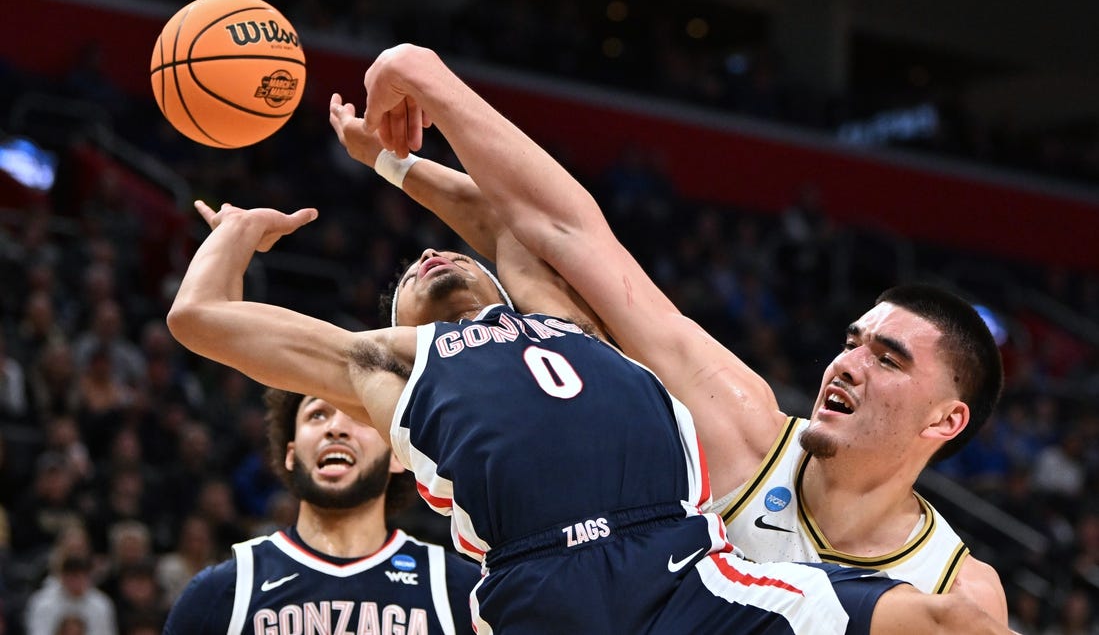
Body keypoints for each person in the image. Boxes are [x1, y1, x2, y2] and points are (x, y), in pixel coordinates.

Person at [341, 42, 1009, 621]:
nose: (847, 364)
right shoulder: (739, 430)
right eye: (851, 341)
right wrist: (419, 80)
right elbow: (565, 236)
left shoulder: (957, 590)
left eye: (887, 358)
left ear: (944, 420)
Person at [166, 198, 1012, 634]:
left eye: (451, 256)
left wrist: (400, 165)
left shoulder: (567, 325)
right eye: (408, 275)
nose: (428, 257)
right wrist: (236, 231)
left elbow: (526, 220)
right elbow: (199, 318)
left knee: (950, 619)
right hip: (548, 587)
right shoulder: (390, 365)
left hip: (683, 561)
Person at [162, 384, 479, 634]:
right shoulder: (219, 593)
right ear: (291, 454)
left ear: (397, 455)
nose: (336, 429)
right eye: (317, 414)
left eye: (360, 415)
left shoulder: (459, 590)